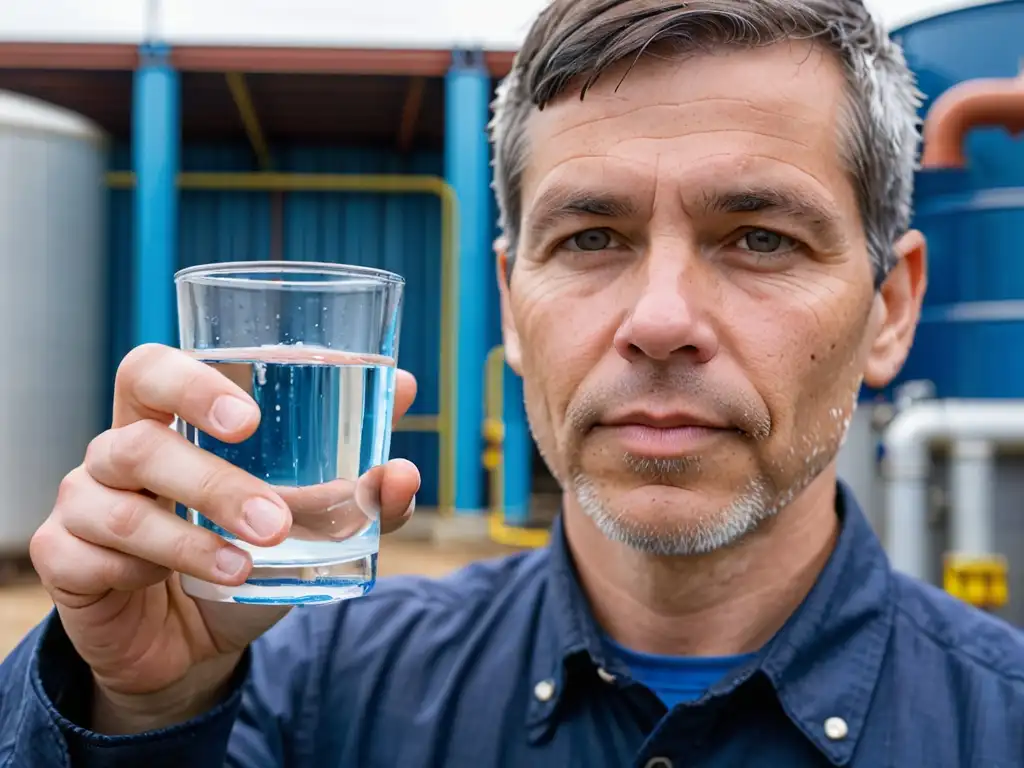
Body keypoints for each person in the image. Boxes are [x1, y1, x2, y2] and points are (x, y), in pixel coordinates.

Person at [3, 0, 1024, 765]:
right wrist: (131, 713)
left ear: (890, 308)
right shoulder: (302, 696)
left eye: (759, 236)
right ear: (511, 301)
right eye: (591, 237)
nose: (660, 320)